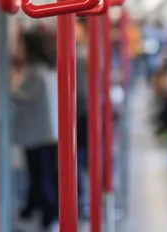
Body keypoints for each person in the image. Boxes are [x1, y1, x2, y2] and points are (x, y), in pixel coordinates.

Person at [11, 30, 59, 232]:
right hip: (43, 133)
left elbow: (21, 97)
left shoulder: (36, 72)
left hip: (39, 135)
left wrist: (6, 83)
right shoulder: (42, 69)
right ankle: (33, 210)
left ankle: (48, 216)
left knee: (41, 176)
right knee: (40, 176)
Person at [75, 17, 89, 214]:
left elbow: (81, 91)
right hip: (84, 110)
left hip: (82, 112)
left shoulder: (81, 56)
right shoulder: (83, 54)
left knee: (80, 154)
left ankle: (82, 198)